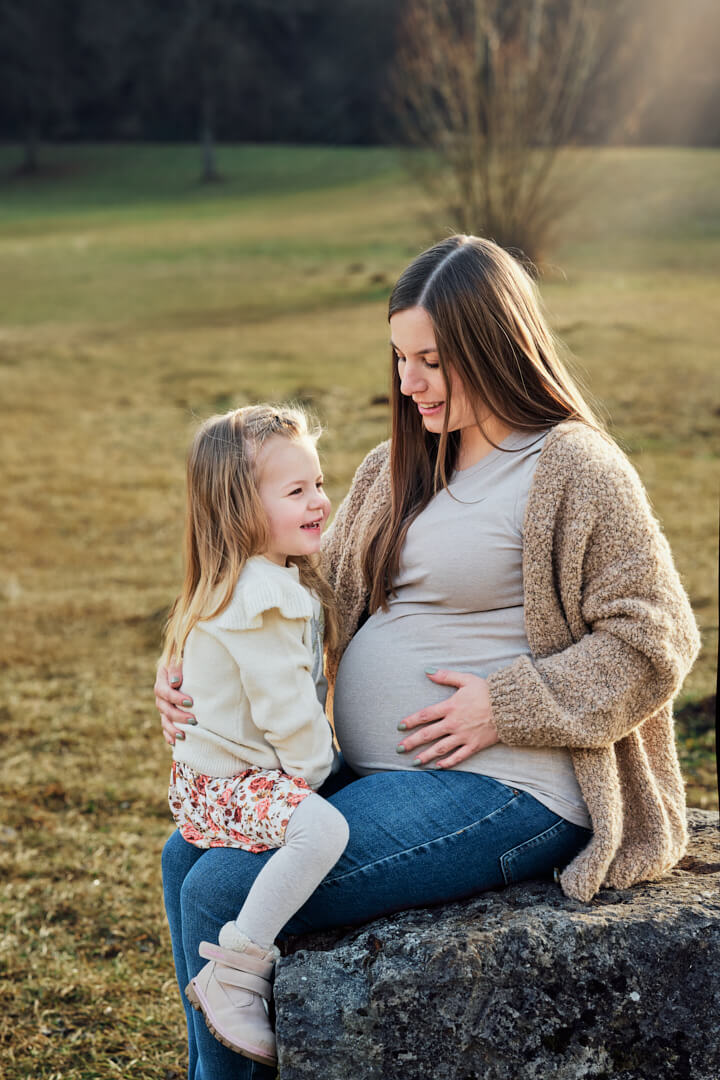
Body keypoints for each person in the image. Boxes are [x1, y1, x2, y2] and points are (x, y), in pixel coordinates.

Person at [156, 235, 700, 1080]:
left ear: (494, 346)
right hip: (377, 779)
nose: (407, 383)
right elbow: (298, 590)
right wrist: (195, 660)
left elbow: (657, 637)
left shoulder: (573, 465)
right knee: (184, 854)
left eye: (432, 361)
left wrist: (507, 703)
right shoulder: (396, 466)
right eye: (400, 357)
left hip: (512, 786)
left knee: (221, 887)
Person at [160, 404, 349, 1068]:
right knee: (323, 830)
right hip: (234, 784)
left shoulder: (236, 579)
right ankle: (237, 971)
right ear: (239, 508)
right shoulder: (265, 596)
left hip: (207, 781)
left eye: (319, 483)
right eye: (296, 492)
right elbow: (287, 713)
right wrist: (323, 775)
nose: (320, 501)